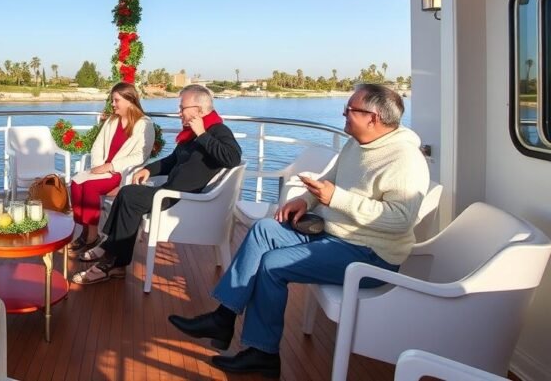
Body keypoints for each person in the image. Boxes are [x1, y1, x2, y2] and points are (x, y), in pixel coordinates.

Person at [168, 84, 429, 377]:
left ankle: (263, 354)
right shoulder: (356, 143)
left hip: (370, 253)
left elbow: (401, 219)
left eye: (350, 110)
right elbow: (329, 180)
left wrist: (337, 199)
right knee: (264, 229)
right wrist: (304, 200)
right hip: (336, 233)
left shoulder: (405, 160)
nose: (343, 113)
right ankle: (223, 316)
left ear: (374, 118)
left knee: (272, 265)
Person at [72, 84, 242, 285]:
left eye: (182, 108)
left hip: (184, 200)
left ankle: (110, 259)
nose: (178, 113)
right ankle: (112, 255)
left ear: (199, 110)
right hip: (170, 191)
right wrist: (148, 170)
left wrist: (203, 134)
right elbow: (171, 161)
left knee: (129, 196)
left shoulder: (217, 130)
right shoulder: (190, 136)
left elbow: (233, 157)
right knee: (127, 194)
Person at [68, 82, 154, 256]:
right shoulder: (111, 121)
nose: (113, 104)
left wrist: (111, 166)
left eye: (116, 100)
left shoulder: (144, 124)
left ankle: (92, 236)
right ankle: (85, 231)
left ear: (130, 100)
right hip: (103, 169)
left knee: (90, 187)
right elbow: (97, 146)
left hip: (120, 172)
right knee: (76, 184)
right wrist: (98, 166)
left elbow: (141, 155)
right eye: (112, 100)